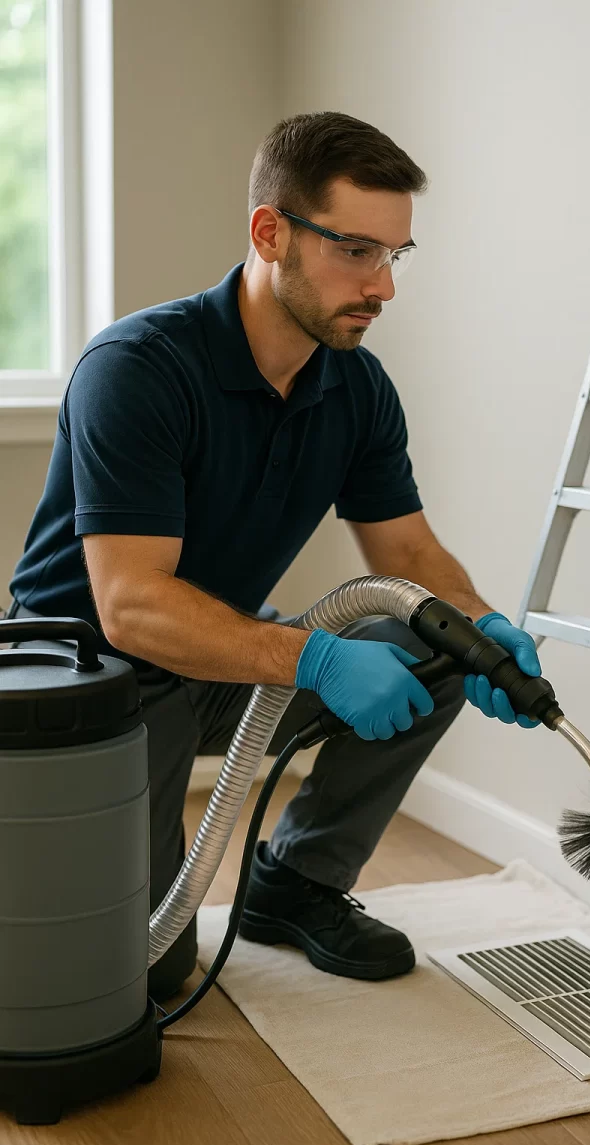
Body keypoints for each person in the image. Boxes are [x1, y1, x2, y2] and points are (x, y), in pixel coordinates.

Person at [6, 111, 541, 998]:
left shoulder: (355, 384)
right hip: (89, 686)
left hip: (220, 662)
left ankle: (294, 884)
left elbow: (405, 548)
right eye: (357, 252)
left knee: (440, 644)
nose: (384, 287)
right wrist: (319, 657)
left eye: (395, 257)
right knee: (145, 970)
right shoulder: (139, 368)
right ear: (271, 233)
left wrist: (482, 628)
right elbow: (131, 604)